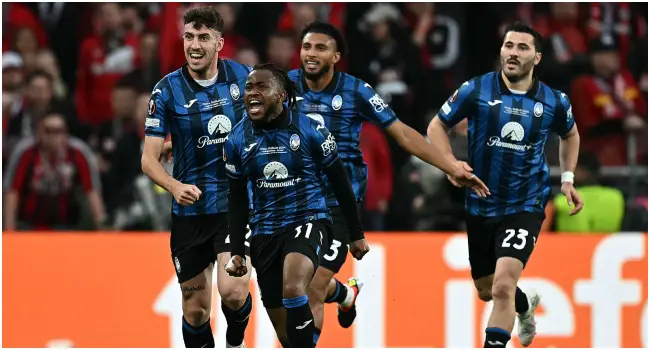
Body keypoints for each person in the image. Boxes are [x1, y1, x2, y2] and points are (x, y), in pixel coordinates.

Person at [287, 21, 490, 342]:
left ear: (336, 56)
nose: (311, 54)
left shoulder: (356, 91)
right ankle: (343, 295)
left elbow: (404, 134)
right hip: (293, 200)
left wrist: (449, 164)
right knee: (295, 282)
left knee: (309, 287)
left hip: (339, 205)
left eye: (320, 48)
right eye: (307, 47)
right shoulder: (284, 86)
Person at [426, 22, 583, 348]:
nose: (513, 52)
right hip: (481, 202)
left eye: (522, 47)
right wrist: (449, 164)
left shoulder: (554, 101)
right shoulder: (476, 90)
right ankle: (525, 306)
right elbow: (437, 126)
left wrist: (567, 179)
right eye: (509, 45)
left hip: (525, 204)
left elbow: (571, 134)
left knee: (502, 286)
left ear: (537, 58)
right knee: (487, 289)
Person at [223, 63, 369, 348]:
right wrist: (238, 252)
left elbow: (341, 182)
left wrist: (356, 232)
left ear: (280, 96)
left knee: (295, 287)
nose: (252, 93)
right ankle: (343, 294)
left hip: (309, 217)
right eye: (249, 87)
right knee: (287, 336)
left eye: (262, 87)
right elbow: (237, 197)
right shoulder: (236, 138)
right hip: (265, 230)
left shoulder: (311, 129)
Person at [141, 6, 254, 348]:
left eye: (204, 37)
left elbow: (271, 125)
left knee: (233, 293)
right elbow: (149, 159)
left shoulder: (244, 79)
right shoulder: (166, 91)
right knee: (195, 311)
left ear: (220, 42)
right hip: (190, 212)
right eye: (189, 36)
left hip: (233, 206)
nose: (194, 44)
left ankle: (235, 340)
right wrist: (174, 185)